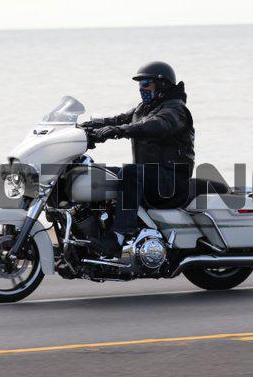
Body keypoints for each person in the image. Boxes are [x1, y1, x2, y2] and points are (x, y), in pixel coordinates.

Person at [81, 61, 195, 256]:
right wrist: (87, 126)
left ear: (162, 84)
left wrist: (117, 131)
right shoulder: (144, 108)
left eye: (146, 84)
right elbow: (119, 120)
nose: (141, 89)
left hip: (171, 179)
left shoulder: (175, 110)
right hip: (149, 176)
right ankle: (92, 231)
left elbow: (153, 125)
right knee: (96, 173)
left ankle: (119, 235)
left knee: (130, 172)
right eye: (140, 85)